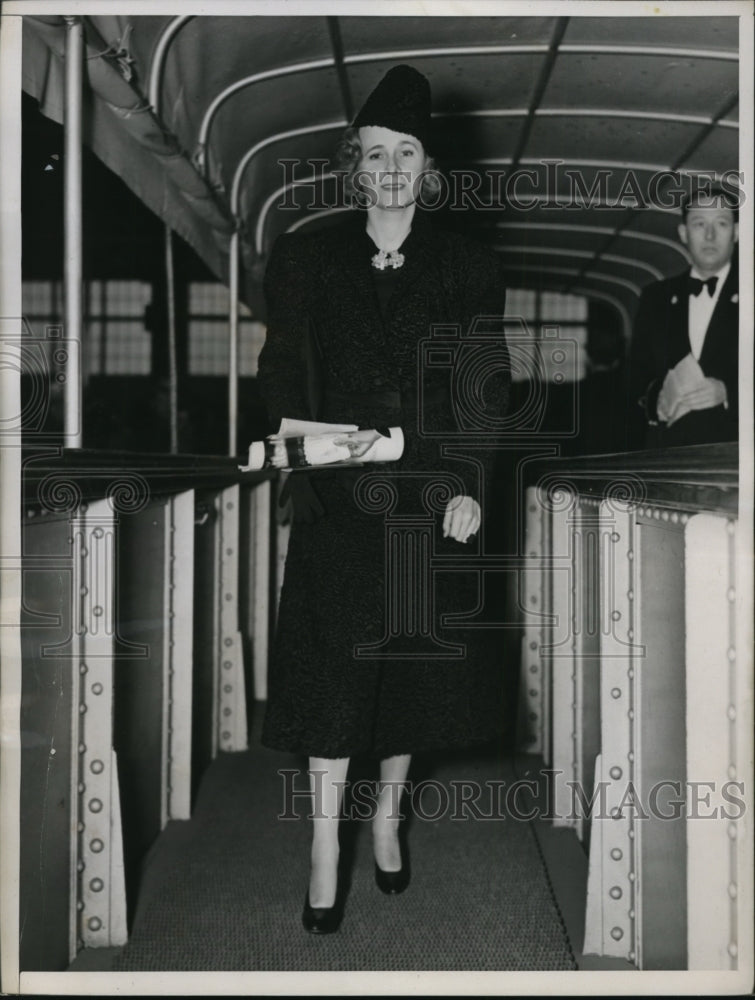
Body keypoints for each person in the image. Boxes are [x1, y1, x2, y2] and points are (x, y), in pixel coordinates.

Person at [256, 65, 510, 934]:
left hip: (424, 498)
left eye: (406, 152)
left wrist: (469, 482)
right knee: (331, 679)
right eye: (375, 153)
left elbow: (484, 384)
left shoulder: (467, 266)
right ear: (353, 166)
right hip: (335, 497)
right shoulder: (307, 255)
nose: (391, 167)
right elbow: (280, 366)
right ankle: (325, 845)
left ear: (427, 166)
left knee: (404, 675)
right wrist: (306, 445)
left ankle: (389, 815)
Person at [628, 186, 739, 448]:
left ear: (736, 233)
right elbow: (635, 376)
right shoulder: (655, 297)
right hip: (669, 451)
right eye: (699, 224)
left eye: (721, 224)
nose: (709, 235)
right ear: (683, 233)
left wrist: (729, 393)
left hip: (736, 454)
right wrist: (656, 400)